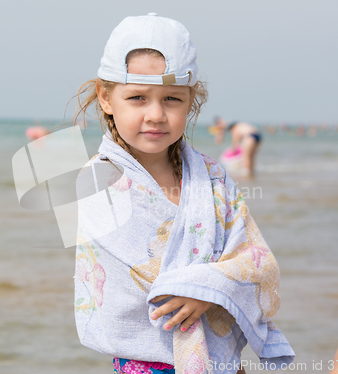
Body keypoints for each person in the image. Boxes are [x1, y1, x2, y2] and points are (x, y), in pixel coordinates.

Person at [71, 14, 294, 374]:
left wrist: (205, 289)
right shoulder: (99, 179)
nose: (156, 114)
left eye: (172, 98)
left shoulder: (213, 177)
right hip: (147, 362)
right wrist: (208, 286)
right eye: (138, 98)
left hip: (221, 362)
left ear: (191, 101)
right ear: (107, 98)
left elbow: (256, 259)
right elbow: (142, 274)